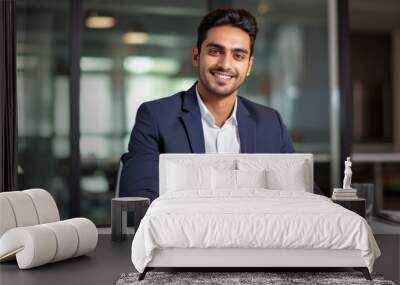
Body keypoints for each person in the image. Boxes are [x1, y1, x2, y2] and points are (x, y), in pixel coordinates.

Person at [120, 8, 323, 201]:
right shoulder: (156, 116)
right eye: (215, 51)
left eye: (238, 55)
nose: (226, 64)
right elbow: (138, 201)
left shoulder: (270, 122)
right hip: (186, 236)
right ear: (196, 56)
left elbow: (305, 194)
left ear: (249, 66)